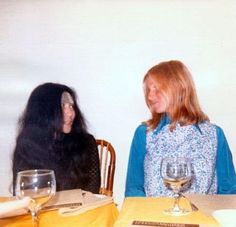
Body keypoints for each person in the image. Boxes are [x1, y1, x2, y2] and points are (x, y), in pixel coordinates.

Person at [125, 60, 236, 197]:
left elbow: (228, 190)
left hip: (200, 217)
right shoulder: (144, 134)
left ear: (179, 88)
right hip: (154, 216)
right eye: (148, 90)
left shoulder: (214, 134)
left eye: (156, 89)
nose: (149, 96)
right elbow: (134, 189)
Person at [12, 82, 101, 195]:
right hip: (41, 210)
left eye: (71, 106)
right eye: (63, 106)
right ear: (43, 111)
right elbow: (23, 193)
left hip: (78, 211)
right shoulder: (26, 145)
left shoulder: (86, 142)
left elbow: (92, 190)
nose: (70, 114)